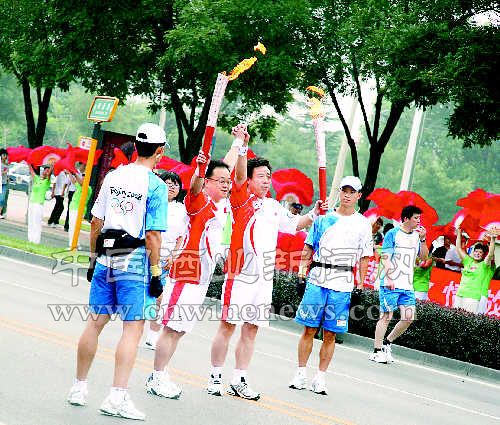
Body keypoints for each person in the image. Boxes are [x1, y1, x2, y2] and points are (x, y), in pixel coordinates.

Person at [207, 124, 325, 401]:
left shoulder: (273, 206)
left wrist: (314, 213)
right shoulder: (240, 199)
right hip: (239, 275)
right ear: (248, 180)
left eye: (268, 177)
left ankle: (239, 379)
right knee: (228, 326)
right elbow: (236, 174)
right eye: (260, 176)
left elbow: (296, 224)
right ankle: (215, 376)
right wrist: (243, 146)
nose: (266, 181)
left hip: (263, 278)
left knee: (251, 328)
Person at [67, 123, 168, 421]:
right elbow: (153, 236)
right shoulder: (156, 186)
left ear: (135, 147)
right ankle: (116, 397)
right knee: (132, 329)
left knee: (95, 323)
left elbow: (95, 222)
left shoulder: (114, 176)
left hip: (106, 257)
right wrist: (156, 273)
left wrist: (93, 259)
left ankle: (78, 388)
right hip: (134, 261)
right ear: (159, 151)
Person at [146, 130, 241, 399]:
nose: (226, 184)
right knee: (171, 327)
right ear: (208, 182)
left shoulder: (222, 205)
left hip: (202, 278)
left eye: (228, 181)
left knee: (180, 330)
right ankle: (156, 376)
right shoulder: (198, 202)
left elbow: (225, 166)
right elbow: (197, 185)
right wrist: (200, 168)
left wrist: (238, 142)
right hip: (187, 272)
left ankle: (161, 373)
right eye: (220, 181)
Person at [289, 176, 372, 395]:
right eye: (344, 191)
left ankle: (320, 377)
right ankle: (300, 373)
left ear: (358, 195)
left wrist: (360, 285)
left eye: (352, 192)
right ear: (339, 192)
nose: (347, 195)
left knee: (330, 334)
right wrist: (301, 274)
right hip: (317, 278)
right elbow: (308, 247)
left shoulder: (363, 224)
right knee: (309, 329)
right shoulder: (323, 218)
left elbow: (365, 257)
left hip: (343, 283)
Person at [369, 205, 428, 364]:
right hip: (391, 283)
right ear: (406, 218)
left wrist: (423, 239)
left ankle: (387, 343)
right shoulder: (393, 233)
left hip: (407, 285)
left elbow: (423, 257)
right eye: (416, 218)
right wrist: (389, 278)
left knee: (408, 318)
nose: (418, 221)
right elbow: (386, 257)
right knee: (386, 316)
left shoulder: (417, 236)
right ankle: (376, 351)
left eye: (419, 218)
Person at [143, 170, 188, 349]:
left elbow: (181, 237)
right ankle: (133, 329)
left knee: (160, 298)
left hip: (165, 260)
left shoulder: (182, 210)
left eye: (175, 184)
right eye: (168, 183)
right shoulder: (151, 203)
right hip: (146, 255)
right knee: (141, 295)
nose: (172, 187)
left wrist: (174, 255)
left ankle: (152, 335)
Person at [453, 229, 496, 314]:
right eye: (476, 251)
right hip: (460, 294)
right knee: (455, 317)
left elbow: (490, 254)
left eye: (480, 252)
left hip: (473, 297)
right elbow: (458, 248)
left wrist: (492, 239)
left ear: (483, 255)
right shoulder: (468, 261)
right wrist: (459, 234)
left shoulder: (484, 265)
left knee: (469, 319)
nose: (477, 253)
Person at [66, 163, 93, 248]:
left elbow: (80, 183)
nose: (83, 178)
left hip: (78, 210)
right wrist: (69, 173)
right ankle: (74, 244)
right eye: (83, 176)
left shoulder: (88, 188)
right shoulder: (81, 186)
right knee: (72, 227)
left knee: (75, 228)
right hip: (73, 208)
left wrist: (74, 173)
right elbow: (74, 181)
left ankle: (74, 245)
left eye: (85, 177)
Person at [27, 165, 52, 244]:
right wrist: (29, 163)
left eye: (48, 171)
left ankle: (36, 240)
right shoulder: (37, 178)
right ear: (43, 171)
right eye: (45, 170)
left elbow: (49, 175)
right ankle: (30, 239)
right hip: (32, 202)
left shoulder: (47, 181)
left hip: (38, 204)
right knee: (31, 221)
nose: (46, 172)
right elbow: (31, 171)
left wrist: (52, 165)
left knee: (37, 222)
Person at [0, 148, 9, 219]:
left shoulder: (7, 164)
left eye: (6, 155)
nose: (5, 156)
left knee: (2, 199)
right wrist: (4, 172)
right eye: (4, 155)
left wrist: (7, 177)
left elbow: (6, 174)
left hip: (4, 183)